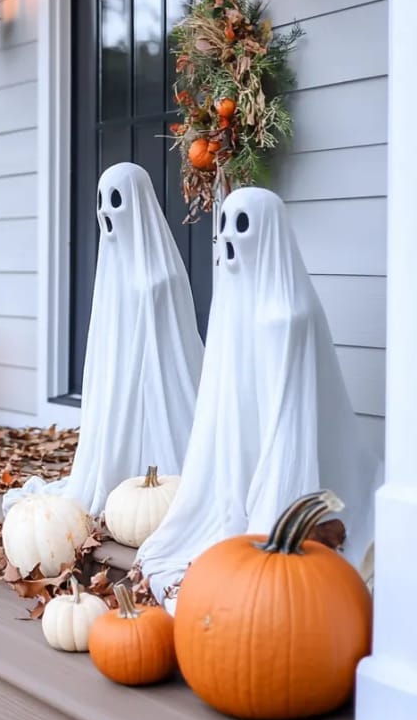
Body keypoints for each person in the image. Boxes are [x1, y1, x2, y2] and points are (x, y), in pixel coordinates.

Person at [137, 186, 381, 604]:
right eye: (225, 227)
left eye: (243, 225)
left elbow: (291, 423)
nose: (230, 238)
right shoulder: (232, 302)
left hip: (283, 460)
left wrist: (272, 519)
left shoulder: (289, 314)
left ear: (269, 231)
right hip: (243, 447)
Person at [4, 162, 203, 517]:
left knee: (159, 494)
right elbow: (106, 343)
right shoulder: (111, 272)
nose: (106, 210)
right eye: (101, 200)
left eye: (115, 199)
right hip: (119, 386)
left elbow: (176, 350)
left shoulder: (165, 277)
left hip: (158, 390)